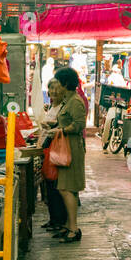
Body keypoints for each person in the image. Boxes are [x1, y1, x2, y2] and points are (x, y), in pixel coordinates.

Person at [48, 67, 87, 243]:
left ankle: (73, 229)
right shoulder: (68, 100)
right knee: (64, 187)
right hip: (65, 147)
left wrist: (60, 130)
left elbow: (79, 125)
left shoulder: (75, 102)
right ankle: (68, 226)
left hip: (72, 149)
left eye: (59, 83)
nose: (57, 88)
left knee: (67, 188)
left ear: (65, 84)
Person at [37, 83, 68, 232]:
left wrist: (52, 126)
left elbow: (63, 126)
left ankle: (59, 220)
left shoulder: (63, 108)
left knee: (55, 185)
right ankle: (53, 219)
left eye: (56, 90)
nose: (53, 92)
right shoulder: (51, 107)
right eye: (51, 89)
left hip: (56, 149)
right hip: (47, 147)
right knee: (49, 185)